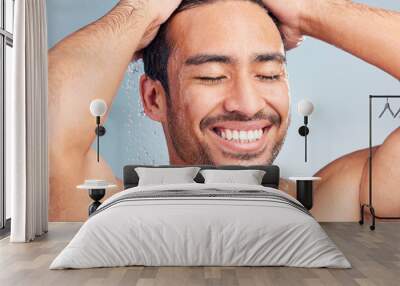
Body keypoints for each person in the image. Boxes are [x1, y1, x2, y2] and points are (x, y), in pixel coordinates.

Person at [48, 0, 400, 221]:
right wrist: (140, 11)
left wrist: (311, 9)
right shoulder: (107, 213)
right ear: (154, 98)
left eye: (268, 74)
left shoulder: (332, 204)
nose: (247, 104)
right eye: (212, 76)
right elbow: (42, 121)